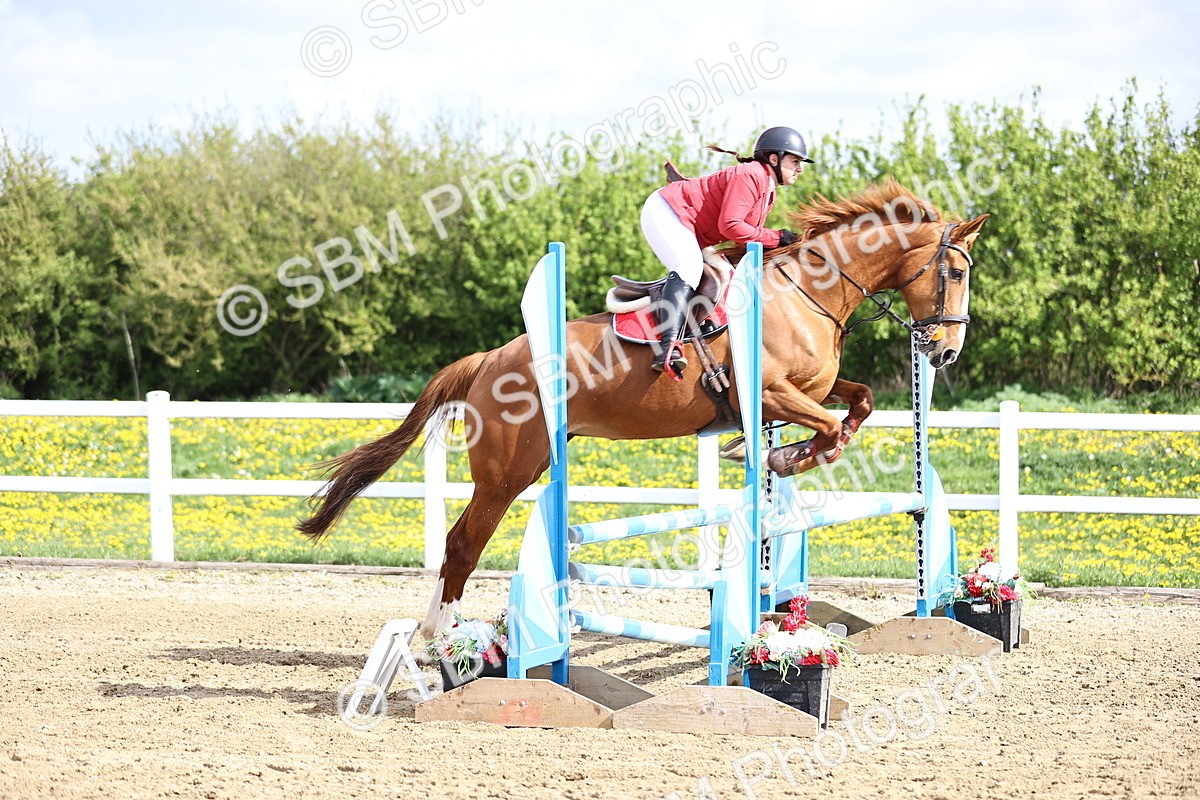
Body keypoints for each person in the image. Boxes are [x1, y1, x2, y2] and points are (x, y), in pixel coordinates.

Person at [640, 126, 813, 374]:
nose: (800, 168)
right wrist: (777, 237)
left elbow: (747, 240)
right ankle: (668, 346)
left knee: (726, 271)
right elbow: (731, 226)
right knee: (688, 267)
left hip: (689, 225)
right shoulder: (752, 174)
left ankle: (706, 324)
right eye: (795, 161)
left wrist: (786, 245)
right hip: (666, 211)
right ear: (774, 158)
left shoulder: (767, 191)